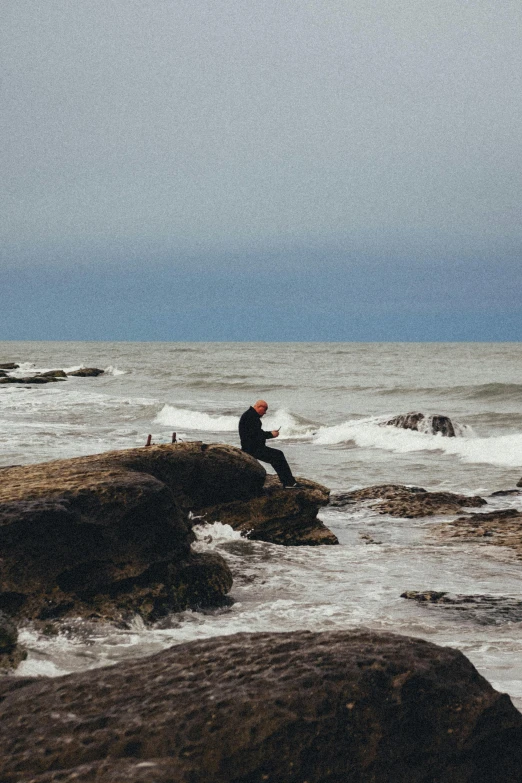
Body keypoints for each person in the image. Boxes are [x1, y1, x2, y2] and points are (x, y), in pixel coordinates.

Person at [238, 399, 298, 488]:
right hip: (252, 449)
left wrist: (270, 433)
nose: (265, 413)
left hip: (251, 447)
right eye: (265, 409)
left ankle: (288, 482)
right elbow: (256, 435)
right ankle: (289, 483)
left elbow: (256, 433)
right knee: (278, 455)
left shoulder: (250, 415)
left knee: (276, 456)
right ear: (259, 407)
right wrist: (271, 434)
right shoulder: (251, 417)